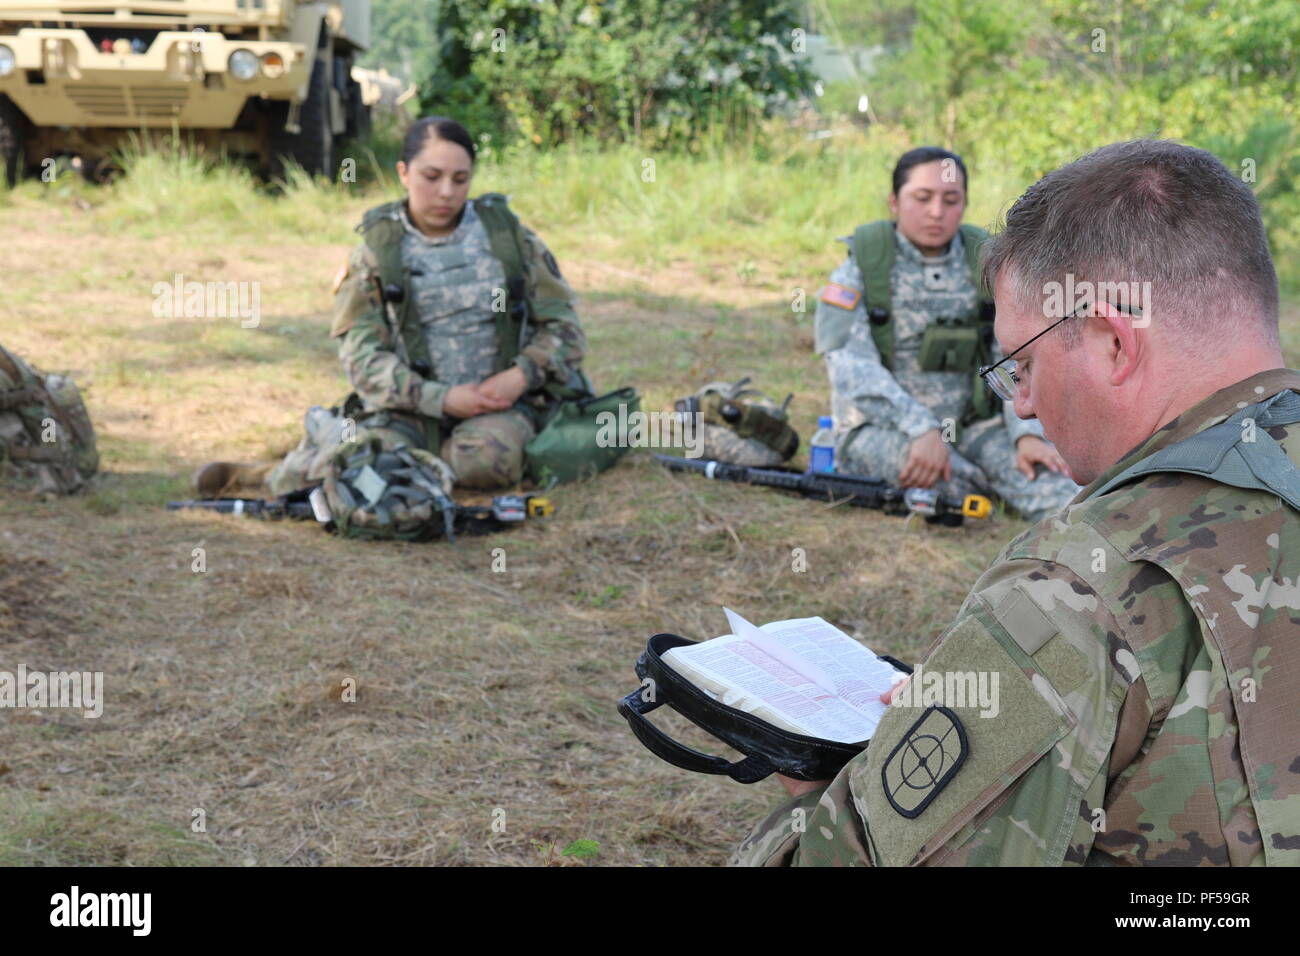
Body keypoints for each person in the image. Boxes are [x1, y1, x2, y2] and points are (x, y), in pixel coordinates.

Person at [734, 139, 1300, 866]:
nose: (1024, 403)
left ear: (1113, 345)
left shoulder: (1079, 587)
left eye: (1023, 365)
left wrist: (822, 795)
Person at [195, 115, 587, 497]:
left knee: (483, 464)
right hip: (407, 410)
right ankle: (267, 477)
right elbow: (361, 358)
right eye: (431, 177)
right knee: (363, 464)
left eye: (460, 179)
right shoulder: (377, 253)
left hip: (497, 408)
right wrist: (440, 398)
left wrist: (517, 377)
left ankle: (405, 468)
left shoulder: (509, 240)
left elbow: (565, 330)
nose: (447, 192)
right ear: (403, 173)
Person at [815, 146, 1078, 521]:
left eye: (950, 199)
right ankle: (976, 480)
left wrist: (1026, 434)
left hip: (972, 425)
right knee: (962, 490)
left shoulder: (987, 264)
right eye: (922, 198)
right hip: (886, 428)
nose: (936, 212)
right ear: (894, 201)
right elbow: (849, 366)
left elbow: (1015, 355)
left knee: (1059, 491)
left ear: (965, 203)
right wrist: (921, 428)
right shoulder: (862, 267)